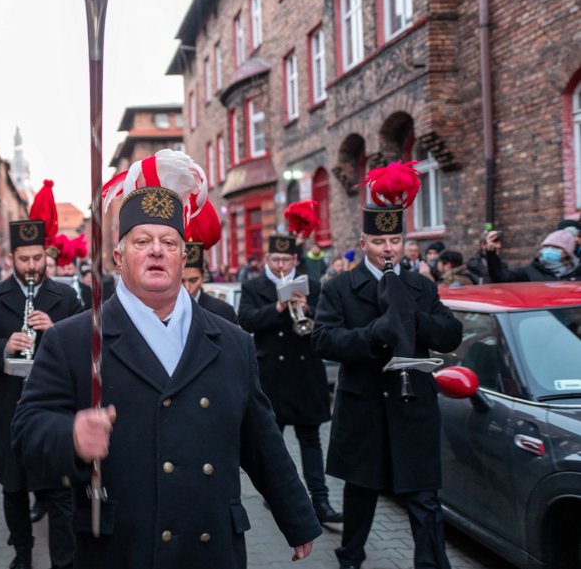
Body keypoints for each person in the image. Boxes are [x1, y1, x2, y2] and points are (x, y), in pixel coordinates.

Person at [12, 149, 321, 569]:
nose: (156, 251)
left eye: (168, 243)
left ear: (183, 256)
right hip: (123, 547)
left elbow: (261, 439)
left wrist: (297, 517)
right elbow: (26, 431)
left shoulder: (230, 341)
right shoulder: (74, 340)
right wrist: (70, 436)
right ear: (119, 259)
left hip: (210, 545)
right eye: (142, 241)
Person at [312, 161, 463, 569]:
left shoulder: (420, 285)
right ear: (364, 243)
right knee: (361, 494)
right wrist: (375, 333)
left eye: (395, 239)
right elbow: (324, 339)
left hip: (413, 408)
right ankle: (350, 559)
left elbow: (450, 333)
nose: (389, 249)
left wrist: (414, 317)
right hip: (365, 406)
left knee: (424, 498)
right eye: (379, 241)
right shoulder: (340, 287)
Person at [0, 180, 83, 569]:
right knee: (13, 487)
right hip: (10, 403)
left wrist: (56, 328)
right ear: (11, 257)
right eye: (24, 259)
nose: (32, 267)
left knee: (61, 491)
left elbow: (84, 344)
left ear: (47, 255)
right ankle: (23, 553)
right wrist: (3, 346)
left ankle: (63, 560)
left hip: (56, 407)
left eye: (38, 259)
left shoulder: (65, 297)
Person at [238, 201, 341, 525]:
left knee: (310, 440)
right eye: (275, 259)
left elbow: (324, 323)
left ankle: (321, 501)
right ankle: (276, 495)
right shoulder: (254, 286)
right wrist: (280, 308)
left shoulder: (312, 284)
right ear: (267, 259)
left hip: (305, 372)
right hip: (272, 376)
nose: (281, 265)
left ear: (295, 259)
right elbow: (247, 320)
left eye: (286, 259)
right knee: (273, 441)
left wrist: (306, 309)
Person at [182, 219, 238, 323]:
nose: (187, 288)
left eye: (193, 280)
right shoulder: (162, 311)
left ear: (203, 277)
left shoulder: (224, 312)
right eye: (181, 281)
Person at [485, 228, 581, 282]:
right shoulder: (530, 272)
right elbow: (501, 277)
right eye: (546, 246)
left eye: (556, 247)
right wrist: (491, 254)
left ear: (567, 253)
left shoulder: (576, 273)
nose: (549, 250)